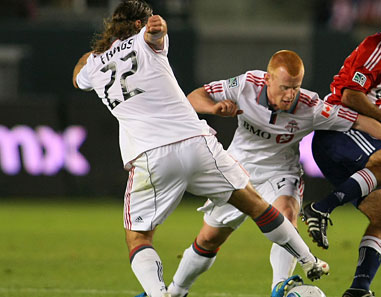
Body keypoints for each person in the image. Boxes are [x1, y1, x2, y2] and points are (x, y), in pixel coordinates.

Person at [71, 1, 331, 297]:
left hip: (149, 155)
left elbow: (78, 75)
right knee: (257, 206)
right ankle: (310, 260)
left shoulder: (93, 66)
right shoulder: (146, 42)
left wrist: (98, 51)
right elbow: (155, 35)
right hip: (197, 143)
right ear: (138, 25)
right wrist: (155, 29)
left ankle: (160, 294)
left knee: (139, 237)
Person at [167, 50, 381, 297]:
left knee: (286, 213)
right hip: (238, 168)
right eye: (284, 87)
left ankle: (280, 287)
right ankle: (175, 292)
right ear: (268, 79)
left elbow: (359, 120)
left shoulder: (310, 106)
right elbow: (195, 96)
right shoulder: (246, 84)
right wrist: (213, 108)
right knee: (209, 238)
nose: (290, 94)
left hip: (281, 172)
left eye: (295, 87)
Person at [303, 4, 381, 297]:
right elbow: (350, 95)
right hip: (338, 131)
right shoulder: (375, 50)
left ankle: (359, 289)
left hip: (351, 137)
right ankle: (321, 208)